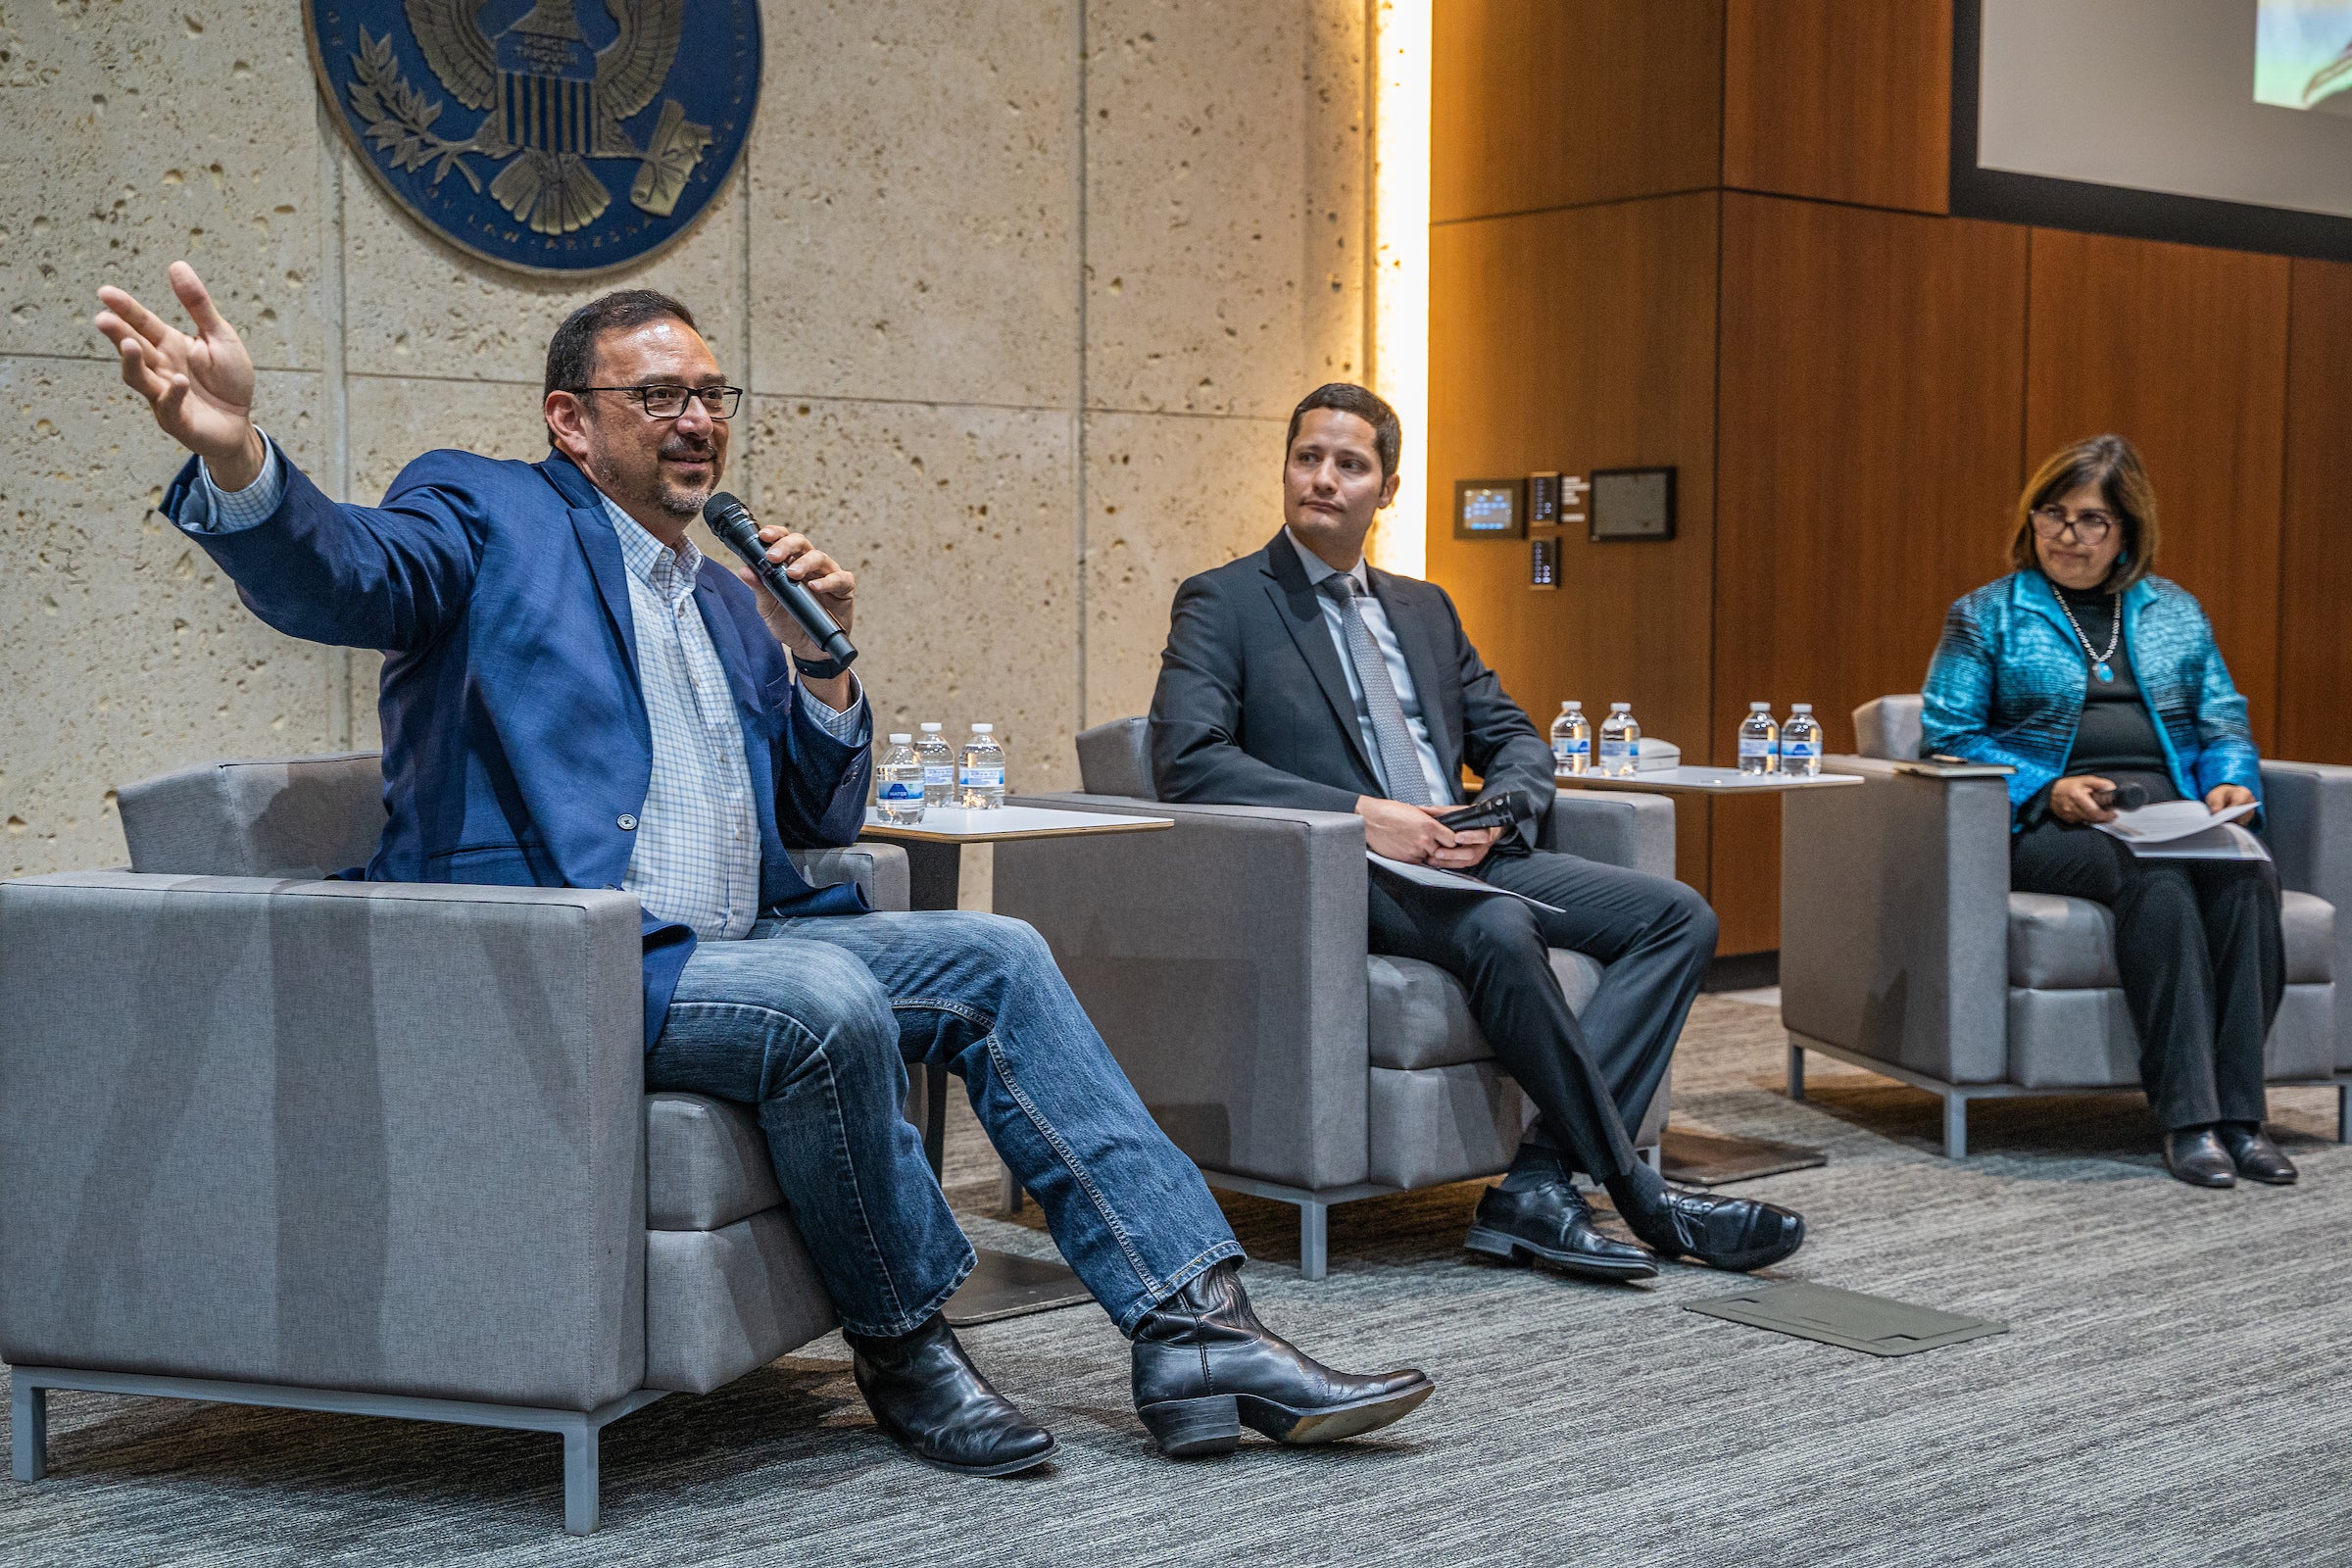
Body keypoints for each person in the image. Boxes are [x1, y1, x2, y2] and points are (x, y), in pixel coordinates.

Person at [93, 265, 1434, 1475]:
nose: (698, 419)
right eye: (660, 394)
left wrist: (824, 656)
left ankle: (1194, 1324)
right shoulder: (486, 510)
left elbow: (821, 804)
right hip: (578, 959)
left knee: (999, 955)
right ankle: (907, 1346)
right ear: (573, 421)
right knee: (826, 1005)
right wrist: (241, 463)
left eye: (713, 394)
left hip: (744, 943)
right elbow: (348, 577)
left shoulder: (732, 597)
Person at [1148, 382, 1805, 1283]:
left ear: (1389, 488)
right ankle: (1641, 1197)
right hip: (1348, 869)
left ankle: (1537, 1184)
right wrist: (1364, 816)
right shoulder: (1225, 601)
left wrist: (1496, 816)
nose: (1324, 480)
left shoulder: (1423, 608)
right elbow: (1187, 759)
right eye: (1309, 458)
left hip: (1468, 852)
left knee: (1678, 916)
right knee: (1500, 926)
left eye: (1351, 464)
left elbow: (1515, 738)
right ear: (1285, 469)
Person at [1923, 434, 2294, 1190]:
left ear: (2127, 531)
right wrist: (2045, 789)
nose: (2068, 535)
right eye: (2052, 514)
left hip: (2176, 812)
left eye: (2091, 519)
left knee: (2248, 881)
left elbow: (2223, 721)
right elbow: (1949, 736)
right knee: (2153, 883)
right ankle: (2189, 1120)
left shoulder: (2175, 612)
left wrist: (2228, 784)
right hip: (2053, 824)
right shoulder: (1987, 615)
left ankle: (2242, 1120)